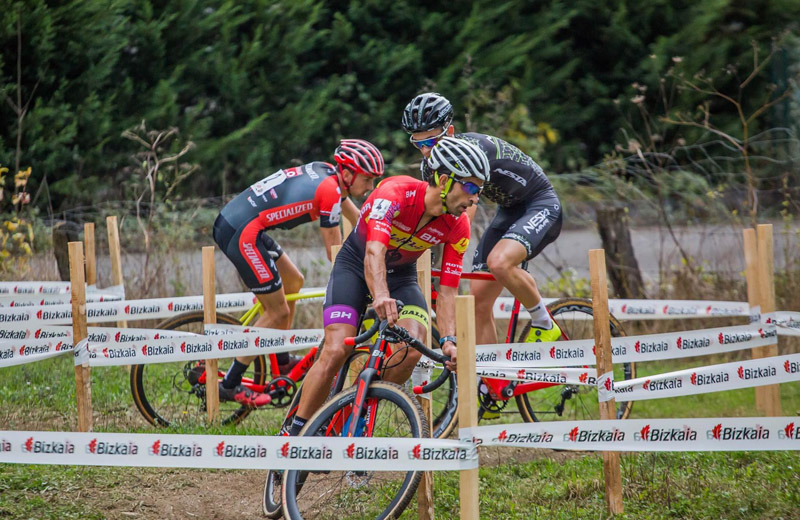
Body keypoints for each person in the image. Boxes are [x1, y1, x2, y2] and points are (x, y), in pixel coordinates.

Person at [287, 137, 489, 435]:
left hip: (401, 277)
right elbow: (373, 253)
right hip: (356, 266)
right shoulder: (395, 193)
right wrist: (380, 296)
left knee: (412, 348)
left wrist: (449, 339)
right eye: (471, 187)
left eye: (480, 191)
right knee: (335, 349)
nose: (475, 199)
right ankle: (293, 435)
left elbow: (447, 290)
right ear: (444, 180)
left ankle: (347, 417)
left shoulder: (458, 225)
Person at [212, 139, 385, 407]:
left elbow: (362, 219)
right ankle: (230, 384)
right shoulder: (330, 191)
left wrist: (380, 239)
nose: (371, 187)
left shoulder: (330, 174)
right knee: (277, 311)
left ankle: (281, 362)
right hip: (241, 232)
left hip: (245, 225)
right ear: (348, 174)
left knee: (294, 281)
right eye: (368, 179)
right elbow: (336, 254)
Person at [402, 92, 563, 347]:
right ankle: (492, 383)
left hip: (540, 204)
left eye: (431, 143)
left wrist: (446, 259)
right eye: (418, 144)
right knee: (478, 304)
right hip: (509, 211)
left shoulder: (471, 152)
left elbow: (464, 210)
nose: (424, 151)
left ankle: (544, 322)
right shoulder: (430, 165)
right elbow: (432, 212)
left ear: (450, 131)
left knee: (499, 262)